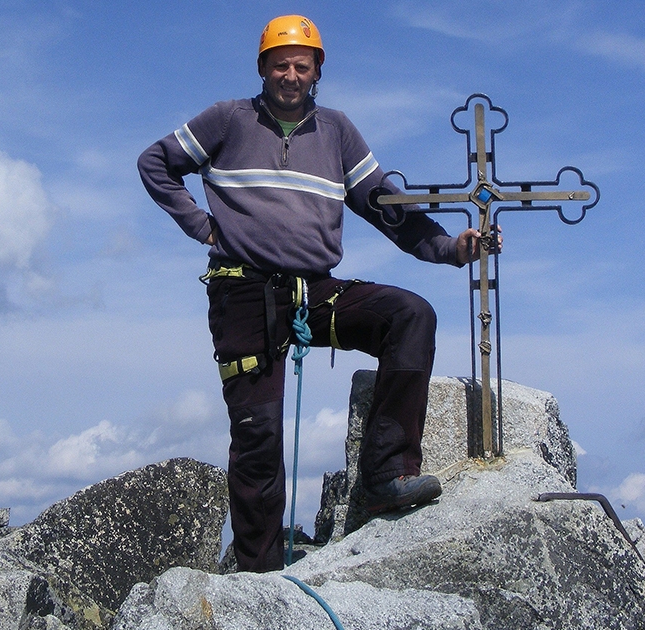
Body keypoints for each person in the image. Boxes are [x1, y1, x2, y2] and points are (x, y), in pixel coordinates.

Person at [137, 15, 495, 572]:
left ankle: (386, 474)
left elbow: (386, 207)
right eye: (280, 64)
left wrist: (451, 248)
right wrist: (203, 227)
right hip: (243, 292)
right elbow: (156, 163)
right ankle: (260, 578)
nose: (291, 75)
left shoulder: (338, 132)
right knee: (258, 436)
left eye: (302, 66)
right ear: (262, 68)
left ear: (317, 71)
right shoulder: (228, 119)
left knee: (409, 315)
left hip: (315, 290)